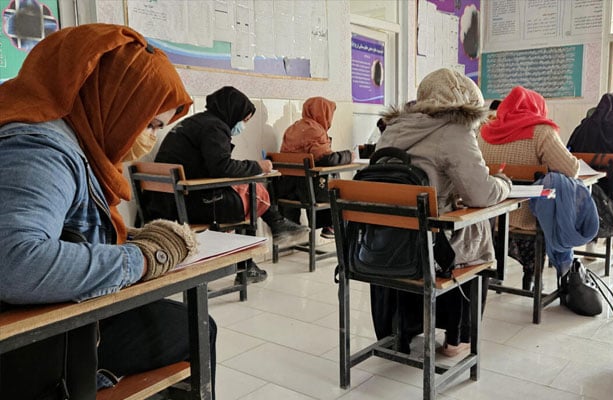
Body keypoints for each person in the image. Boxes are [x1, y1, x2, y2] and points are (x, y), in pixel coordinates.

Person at [0, 24, 214, 399]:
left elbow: (56, 225)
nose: (149, 137)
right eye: (148, 123)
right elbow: (15, 262)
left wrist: (126, 239)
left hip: (49, 322)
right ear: (111, 100)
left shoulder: (54, 132)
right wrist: (143, 259)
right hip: (38, 343)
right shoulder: (40, 149)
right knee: (196, 326)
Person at [375, 68, 511, 356]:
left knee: (433, 223)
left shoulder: (393, 129)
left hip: (385, 245)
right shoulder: (455, 131)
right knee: (477, 232)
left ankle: (401, 330)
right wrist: (504, 184)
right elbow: (482, 193)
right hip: (429, 251)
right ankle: (457, 338)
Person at [150, 86, 308, 283]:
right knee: (253, 193)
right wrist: (258, 166)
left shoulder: (195, 122)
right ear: (233, 111)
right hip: (188, 204)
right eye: (244, 120)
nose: (242, 125)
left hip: (166, 201)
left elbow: (212, 166)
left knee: (247, 189)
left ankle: (275, 227)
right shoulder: (214, 127)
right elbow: (222, 167)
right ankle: (250, 262)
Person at [479, 86, 579, 290]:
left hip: (489, 214)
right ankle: (532, 277)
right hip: (528, 216)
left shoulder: (485, 130)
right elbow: (570, 169)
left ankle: (496, 273)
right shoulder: (541, 131)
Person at [278, 96, 354, 239]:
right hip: (308, 192)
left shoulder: (292, 128)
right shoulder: (316, 131)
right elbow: (327, 159)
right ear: (323, 112)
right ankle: (330, 225)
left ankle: (325, 226)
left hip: (286, 189)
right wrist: (349, 155)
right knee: (335, 183)